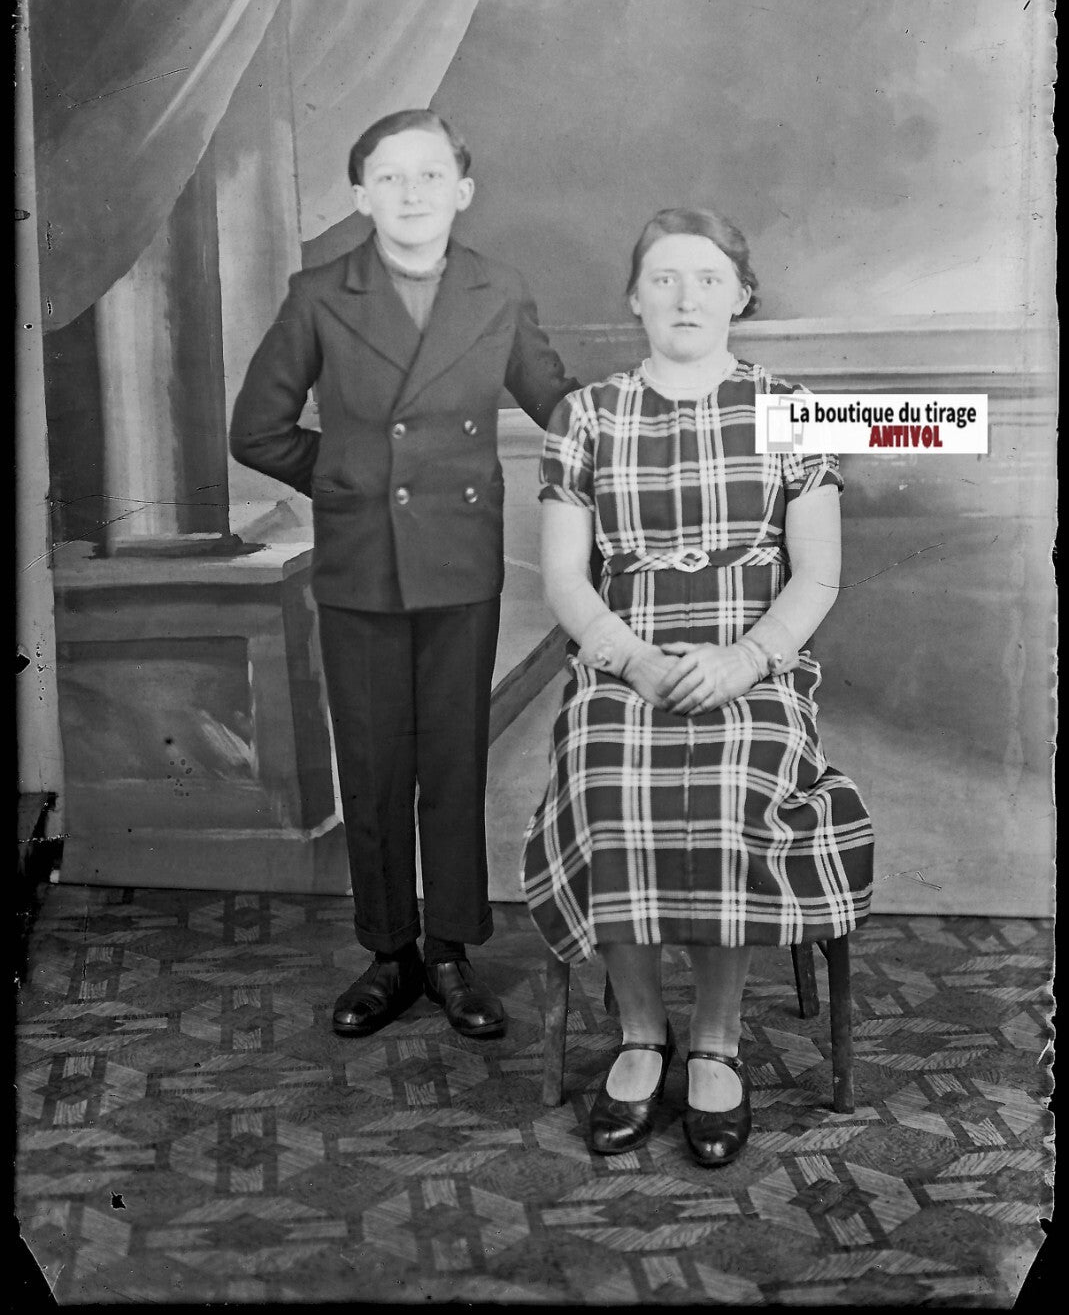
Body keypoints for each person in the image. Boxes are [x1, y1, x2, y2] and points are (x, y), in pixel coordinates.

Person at [522, 206, 873, 1167]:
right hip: (624, 657)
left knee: (731, 785)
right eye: (664, 278)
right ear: (634, 297)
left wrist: (745, 660)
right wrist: (630, 658)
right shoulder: (585, 415)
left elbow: (817, 575)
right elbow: (565, 579)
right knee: (602, 776)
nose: (685, 297)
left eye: (708, 278)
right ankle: (642, 1034)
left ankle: (715, 1041)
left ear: (741, 296)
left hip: (753, 662)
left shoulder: (792, 407)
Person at [230, 109, 578, 1042]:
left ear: (462, 190)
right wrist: (352, 480)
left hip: (459, 561)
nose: (411, 192)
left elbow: (558, 405)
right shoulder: (318, 294)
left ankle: (452, 951)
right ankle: (389, 954)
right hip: (362, 564)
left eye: (429, 175)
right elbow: (255, 431)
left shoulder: (498, 288)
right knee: (374, 763)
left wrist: (666, 413)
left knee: (453, 761)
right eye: (389, 177)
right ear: (361, 197)